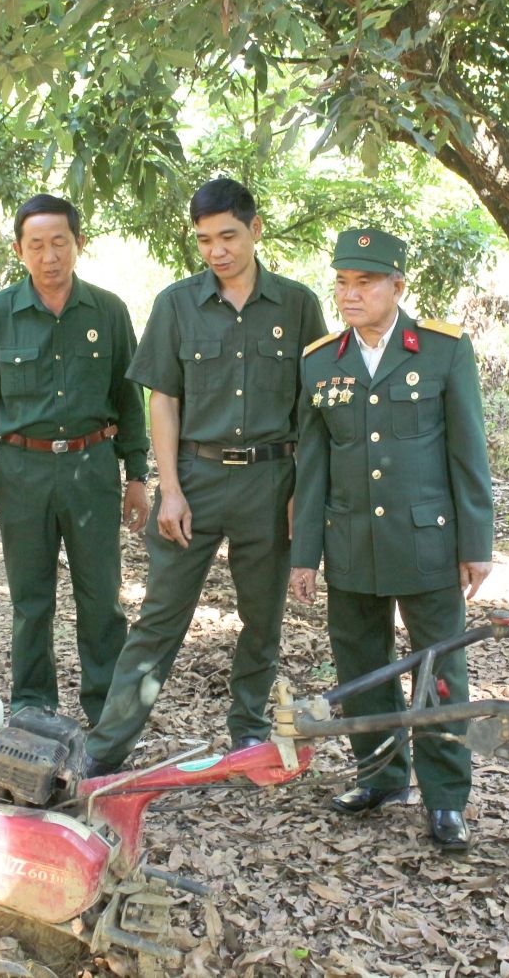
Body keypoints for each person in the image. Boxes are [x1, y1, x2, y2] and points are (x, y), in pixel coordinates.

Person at [83, 178, 326, 774]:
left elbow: (312, 410)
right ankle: (106, 750)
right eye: (204, 240)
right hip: (196, 475)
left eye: (228, 236)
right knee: (159, 619)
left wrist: (303, 492)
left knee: (263, 619)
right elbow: (161, 401)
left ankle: (247, 736)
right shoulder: (176, 304)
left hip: (271, 484)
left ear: (255, 229)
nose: (217, 251)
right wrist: (169, 488)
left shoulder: (297, 305)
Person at [288, 228, 494, 851]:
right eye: (343, 283)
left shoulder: (441, 351)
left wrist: (476, 543)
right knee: (362, 665)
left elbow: (468, 452)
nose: (350, 295)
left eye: (365, 283)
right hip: (349, 539)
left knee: (440, 670)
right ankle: (379, 776)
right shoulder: (320, 360)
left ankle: (447, 798)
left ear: (397, 286)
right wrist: (305, 556)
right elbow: (312, 465)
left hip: (425, 541)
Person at [0, 194, 150, 725]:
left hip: (93, 469)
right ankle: (33, 704)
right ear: (19, 250)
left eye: (59, 242)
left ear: (78, 244)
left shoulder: (108, 311)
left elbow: (129, 400)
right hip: (23, 472)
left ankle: (107, 709)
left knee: (101, 597)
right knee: (31, 598)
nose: (49, 256)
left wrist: (138, 475)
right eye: (36, 245)